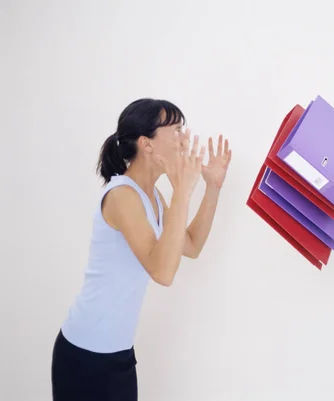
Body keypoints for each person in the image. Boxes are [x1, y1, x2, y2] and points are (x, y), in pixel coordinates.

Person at [51, 98, 232, 401]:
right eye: (176, 130)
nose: (184, 139)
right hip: (86, 356)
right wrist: (182, 192)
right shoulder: (122, 195)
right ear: (147, 144)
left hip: (118, 355)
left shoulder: (153, 196)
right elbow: (162, 272)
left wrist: (212, 186)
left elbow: (191, 245)